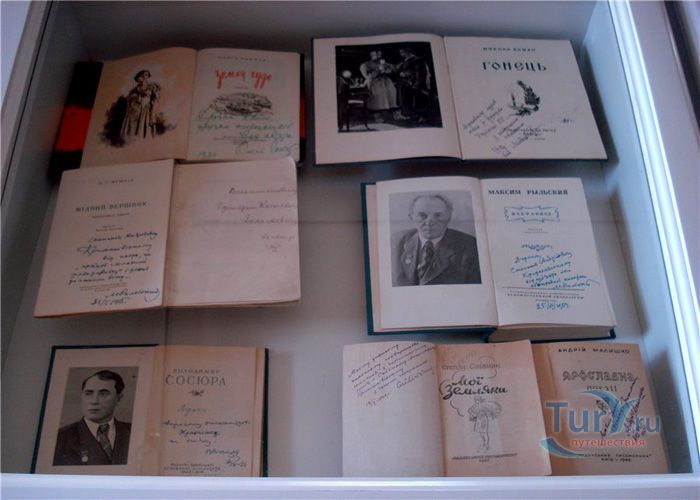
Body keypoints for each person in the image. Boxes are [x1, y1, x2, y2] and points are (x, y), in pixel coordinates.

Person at [392, 194, 481, 286]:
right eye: (422, 215)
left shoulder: (470, 246)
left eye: (438, 215)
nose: (430, 221)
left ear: (449, 217)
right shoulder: (395, 242)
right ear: (411, 217)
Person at [53, 370, 131, 465]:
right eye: (88, 393)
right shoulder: (61, 438)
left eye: (103, 394)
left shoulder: (132, 431)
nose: (94, 401)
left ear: (119, 399)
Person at [120, 69, 160, 140]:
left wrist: (152, 115)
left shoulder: (152, 87)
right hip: (132, 115)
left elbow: (155, 101)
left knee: (143, 134)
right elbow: (128, 104)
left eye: (146, 75)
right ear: (137, 78)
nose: (144, 77)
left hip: (144, 113)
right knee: (130, 135)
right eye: (141, 76)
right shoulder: (133, 91)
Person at [396, 46, 433, 122]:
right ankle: (416, 116)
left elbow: (421, 72)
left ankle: (423, 117)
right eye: (400, 52)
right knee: (411, 101)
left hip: (417, 84)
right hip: (408, 84)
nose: (401, 54)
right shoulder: (405, 60)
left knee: (420, 100)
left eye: (402, 52)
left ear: (408, 51)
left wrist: (416, 82)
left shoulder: (417, 59)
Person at [359, 50, 398, 118]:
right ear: (369, 55)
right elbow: (367, 76)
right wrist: (378, 71)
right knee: (378, 94)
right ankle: (377, 114)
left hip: (385, 81)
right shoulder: (365, 64)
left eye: (377, 55)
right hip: (374, 81)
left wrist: (387, 70)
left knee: (392, 92)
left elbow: (391, 69)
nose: (376, 56)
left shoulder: (382, 62)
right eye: (374, 55)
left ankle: (395, 113)